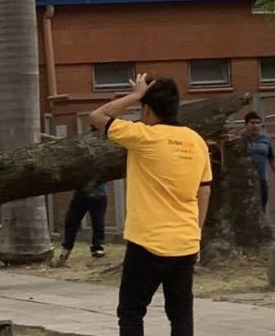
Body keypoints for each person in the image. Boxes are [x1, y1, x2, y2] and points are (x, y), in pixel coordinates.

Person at [89, 73, 211, 336]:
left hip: (147, 241)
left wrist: (134, 94)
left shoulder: (143, 136)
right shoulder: (197, 142)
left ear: (146, 108)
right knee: (181, 315)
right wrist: (196, 235)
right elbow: (204, 192)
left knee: (131, 311)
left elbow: (98, 116)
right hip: (185, 242)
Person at [239, 111, 275, 214]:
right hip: (243, 181)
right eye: (252, 123)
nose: (255, 126)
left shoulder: (266, 139)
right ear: (245, 124)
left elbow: (273, 160)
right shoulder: (239, 139)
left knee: (261, 208)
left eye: (258, 123)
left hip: (261, 180)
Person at [57, 181, 109, 265]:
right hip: (81, 192)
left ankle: (97, 247)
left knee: (98, 221)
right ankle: (67, 247)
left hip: (99, 192)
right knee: (71, 220)